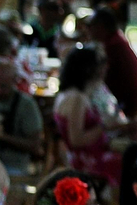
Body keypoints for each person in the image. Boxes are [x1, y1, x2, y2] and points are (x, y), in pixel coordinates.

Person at [53, 46, 126, 183]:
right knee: (132, 163)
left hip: (90, 154)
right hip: (85, 161)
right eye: (100, 66)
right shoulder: (76, 99)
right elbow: (76, 140)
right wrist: (104, 125)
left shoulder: (70, 94)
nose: (104, 70)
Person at [0, 58, 44, 175]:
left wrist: (3, 137)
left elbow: (35, 145)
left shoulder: (26, 105)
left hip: (13, 165)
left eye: (3, 86)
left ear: (14, 82)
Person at [87, 9, 137, 121]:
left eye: (91, 26)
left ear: (101, 27)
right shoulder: (116, 40)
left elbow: (96, 79)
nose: (88, 30)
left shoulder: (112, 47)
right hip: (125, 101)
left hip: (123, 108)